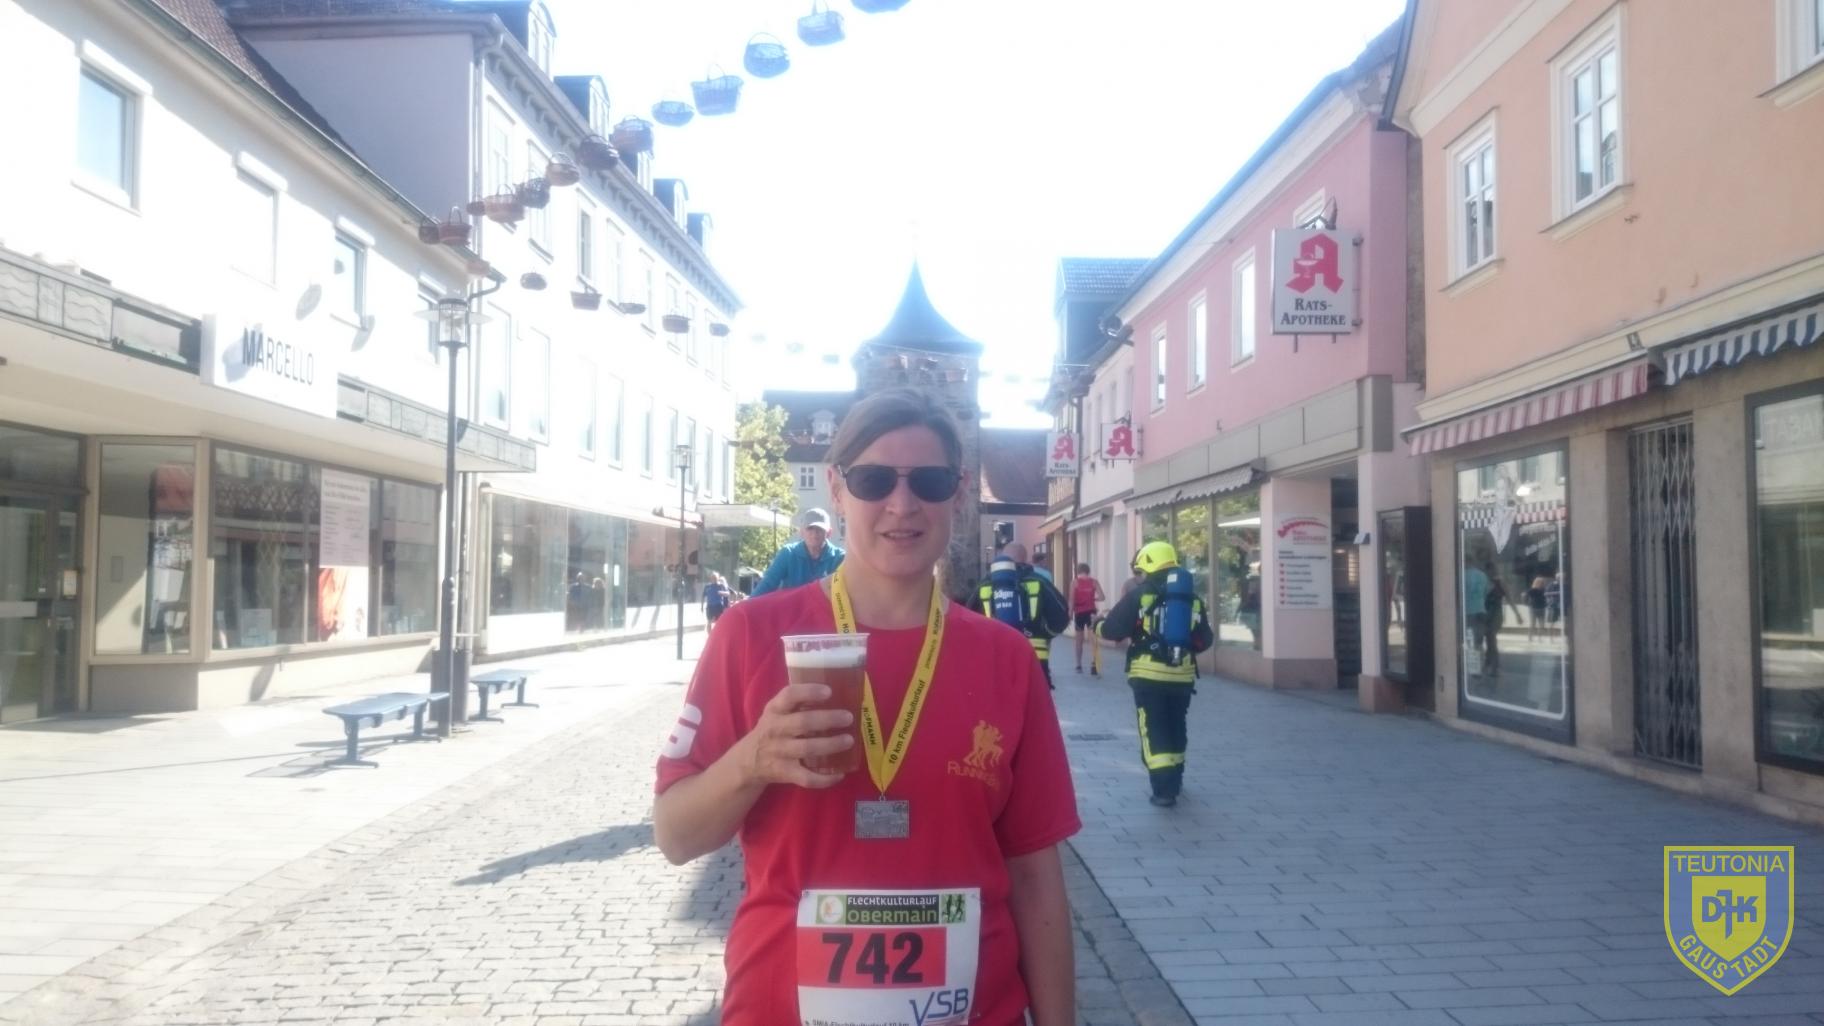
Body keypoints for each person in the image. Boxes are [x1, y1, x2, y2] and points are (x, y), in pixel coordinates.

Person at [653, 388, 1079, 1025]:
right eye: (874, 480)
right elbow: (675, 836)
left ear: (958, 492)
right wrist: (751, 762)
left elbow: (1036, 877)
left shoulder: (1006, 658)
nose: (902, 505)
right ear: (836, 487)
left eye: (929, 482)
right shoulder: (750, 635)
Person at [1097, 541, 1214, 808]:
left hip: (1148, 677)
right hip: (1182, 676)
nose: (1140, 576)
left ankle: (1163, 791)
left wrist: (1098, 626)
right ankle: (1176, 779)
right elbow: (1205, 639)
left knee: (1154, 729)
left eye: (1140, 571)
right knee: (1176, 726)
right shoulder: (1191, 599)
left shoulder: (1141, 594)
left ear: (1148, 564)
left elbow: (1113, 629)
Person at [973, 542, 1071, 689]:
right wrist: (1044, 633)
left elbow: (968, 618)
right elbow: (1062, 615)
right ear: (1025, 559)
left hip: (994, 658)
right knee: (1035, 701)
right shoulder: (1038, 581)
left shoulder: (985, 584)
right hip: (1035, 658)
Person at [751, 508, 845, 596]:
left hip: (824, 607)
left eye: (820, 529)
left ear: (829, 533)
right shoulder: (788, 553)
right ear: (801, 532)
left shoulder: (839, 558)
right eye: (810, 528)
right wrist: (747, 605)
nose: (814, 533)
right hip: (793, 607)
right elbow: (766, 585)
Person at [1070, 562, 1106, 674]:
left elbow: (1071, 600)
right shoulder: (1094, 582)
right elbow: (1102, 597)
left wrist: (1069, 614)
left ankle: (1078, 665)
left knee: (1079, 640)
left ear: (1078, 571)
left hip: (1079, 613)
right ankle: (1094, 664)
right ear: (1088, 571)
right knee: (1093, 639)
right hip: (1091, 612)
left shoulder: (1075, 582)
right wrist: (1093, 599)